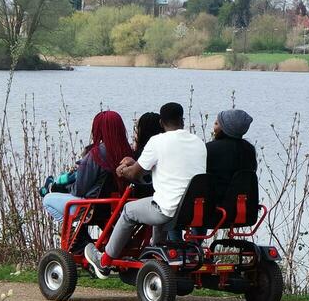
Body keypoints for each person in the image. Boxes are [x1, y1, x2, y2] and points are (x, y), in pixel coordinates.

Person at [85, 101, 207, 276]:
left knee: (128, 211)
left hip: (167, 209)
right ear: (182, 120)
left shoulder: (157, 141)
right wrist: (134, 163)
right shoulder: (198, 142)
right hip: (192, 210)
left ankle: (104, 261)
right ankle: (156, 253)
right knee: (157, 203)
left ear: (161, 123)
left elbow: (134, 175)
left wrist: (123, 169)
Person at [42, 110, 130, 224]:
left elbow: (79, 190)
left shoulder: (97, 154)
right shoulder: (129, 153)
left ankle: (78, 236)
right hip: (117, 209)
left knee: (47, 199)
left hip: (92, 209)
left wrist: (65, 186)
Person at [206, 108, 257, 192]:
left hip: (215, 201)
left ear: (226, 128)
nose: (213, 127)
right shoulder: (249, 149)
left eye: (216, 123)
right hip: (245, 202)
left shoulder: (209, 148)